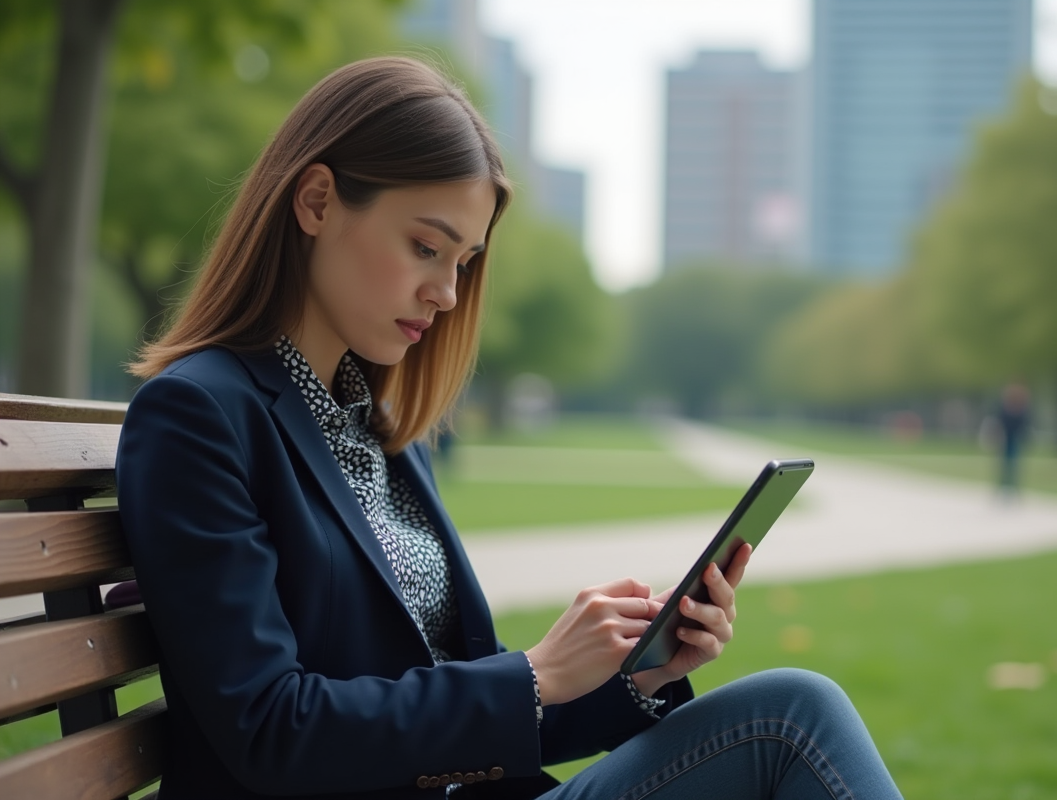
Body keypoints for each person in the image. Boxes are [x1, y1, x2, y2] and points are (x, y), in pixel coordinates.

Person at [116, 57, 903, 800]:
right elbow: (267, 728)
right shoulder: (200, 416)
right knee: (791, 716)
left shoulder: (378, 429)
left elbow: (472, 713)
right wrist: (533, 673)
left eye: (463, 262)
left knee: (792, 712)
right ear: (317, 202)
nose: (448, 293)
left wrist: (638, 674)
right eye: (426, 247)